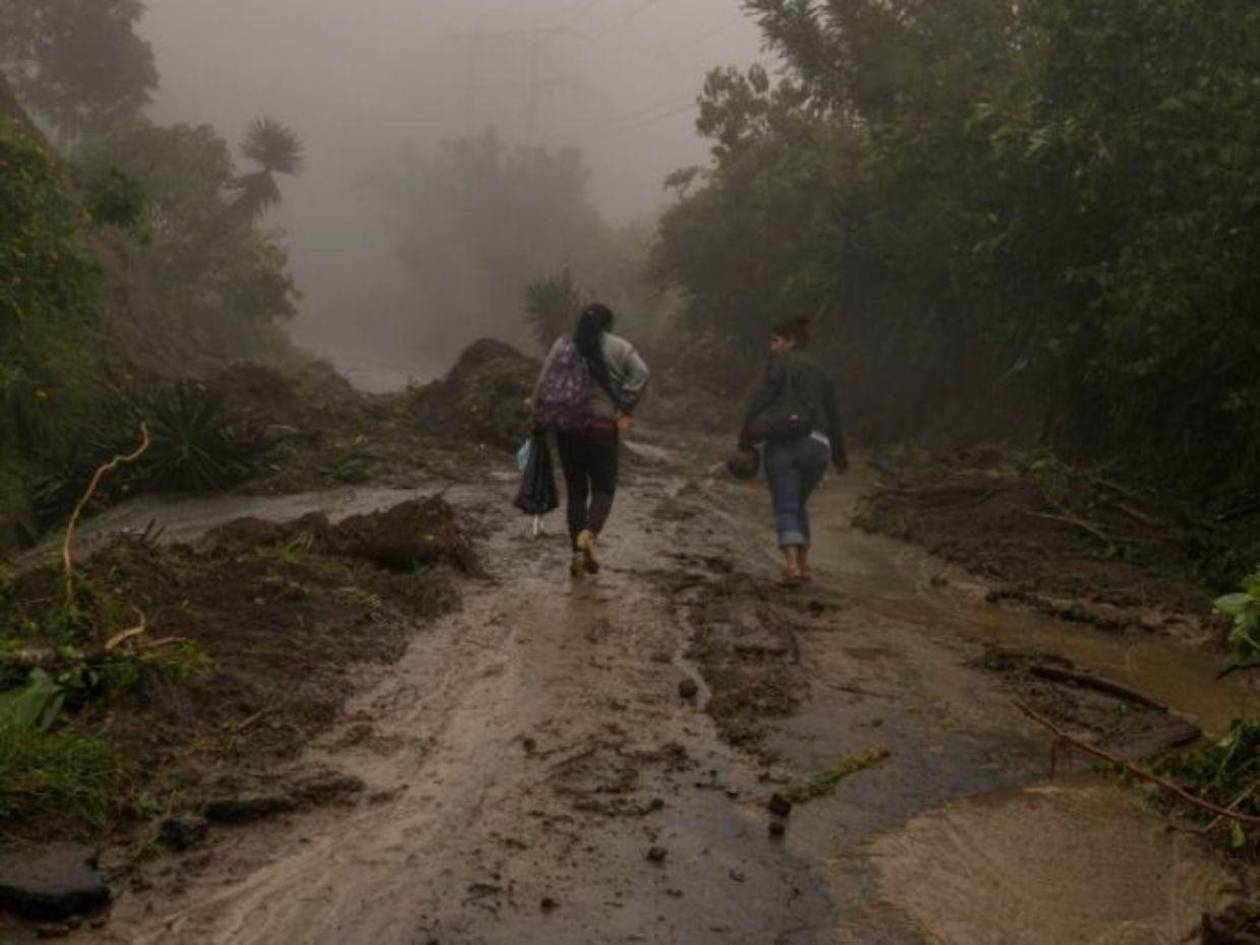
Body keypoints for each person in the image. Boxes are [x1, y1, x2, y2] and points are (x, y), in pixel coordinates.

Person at [532, 303, 650, 577]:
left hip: (568, 430)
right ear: (608, 325)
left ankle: (576, 553)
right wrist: (626, 406)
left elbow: (543, 382)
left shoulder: (562, 346)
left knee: (576, 492)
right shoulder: (620, 347)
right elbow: (642, 373)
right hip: (601, 429)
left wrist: (537, 415)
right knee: (603, 490)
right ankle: (590, 534)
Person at [739, 316, 848, 584]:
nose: (772, 347)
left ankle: (791, 567)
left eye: (776, 341)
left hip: (784, 445)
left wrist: (746, 437)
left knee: (786, 504)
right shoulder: (822, 373)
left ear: (791, 341)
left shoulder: (778, 364)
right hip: (819, 447)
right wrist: (839, 455)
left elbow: (763, 399)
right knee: (799, 504)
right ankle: (805, 566)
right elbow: (834, 416)